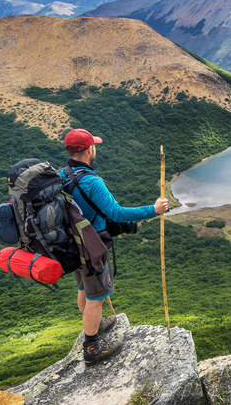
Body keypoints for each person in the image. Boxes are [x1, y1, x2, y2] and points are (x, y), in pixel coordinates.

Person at [61, 128, 169, 363]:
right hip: (91, 246)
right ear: (89, 149)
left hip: (72, 244)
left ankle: (95, 324)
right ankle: (92, 347)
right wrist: (154, 209)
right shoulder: (91, 181)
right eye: (94, 146)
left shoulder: (61, 175)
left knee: (83, 288)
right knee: (95, 297)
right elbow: (116, 213)